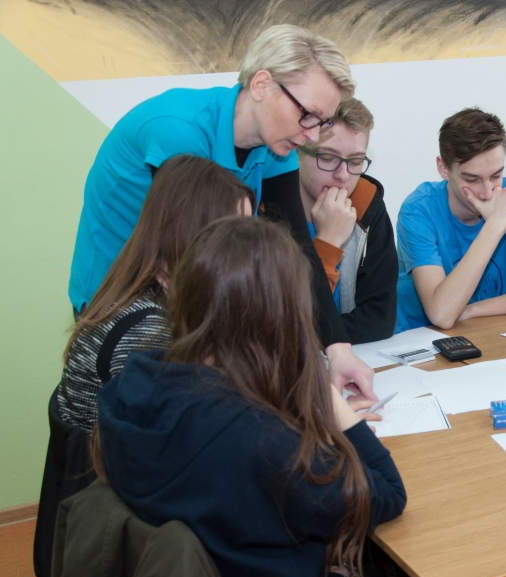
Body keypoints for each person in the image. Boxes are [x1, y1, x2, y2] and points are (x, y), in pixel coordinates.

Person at [92, 216, 490, 577]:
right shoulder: (262, 443)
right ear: (282, 315)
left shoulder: (131, 386)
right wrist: (332, 404)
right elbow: (386, 493)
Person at [66, 24, 376, 398]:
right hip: (124, 303)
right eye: (308, 115)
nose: (312, 135)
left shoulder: (276, 145)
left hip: (188, 296)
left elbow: (297, 249)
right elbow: (197, 268)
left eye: (322, 122)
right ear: (262, 85)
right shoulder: (179, 132)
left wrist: (337, 349)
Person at [58, 155, 254, 433]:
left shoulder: (149, 293)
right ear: (193, 234)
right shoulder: (149, 333)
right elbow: (198, 435)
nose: (248, 251)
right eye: (236, 235)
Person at [395, 107, 506, 331]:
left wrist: (473, 310)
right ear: (443, 168)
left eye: (496, 175)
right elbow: (442, 314)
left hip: (484, 329)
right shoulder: (418, 210)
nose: (487, 192)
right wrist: (495, 226)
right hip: (420, 338)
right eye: (472, 179)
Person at [298, 97, 398, 343]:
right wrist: (328, 243)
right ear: (298, 152)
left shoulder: (367, 202)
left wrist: (319, 335)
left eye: (355, 162)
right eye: (327, 158)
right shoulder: (264, 209)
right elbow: (283, 324)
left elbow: (380, 319)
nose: (342, 175)